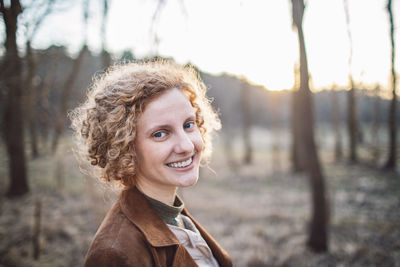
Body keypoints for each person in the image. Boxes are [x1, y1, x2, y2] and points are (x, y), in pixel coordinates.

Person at [70, 60, 232, 267]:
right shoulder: (114, 254)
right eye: (160, 134)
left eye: (188, 125)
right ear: (125, 147)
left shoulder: (174, 216)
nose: (186, 146)